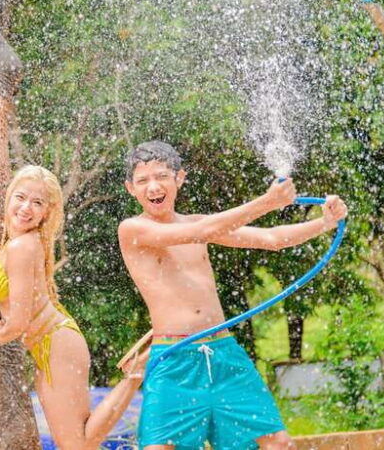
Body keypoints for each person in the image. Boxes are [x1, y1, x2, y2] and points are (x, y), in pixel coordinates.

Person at [118, 140, 348, 450]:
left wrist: (324, 223)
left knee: (278, 443)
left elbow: (271, 239)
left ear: (180, 178)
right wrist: (266, 202)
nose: (153, 186)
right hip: (174, 360)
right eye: (143, 180)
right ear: (130, 188)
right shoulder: (131, 229)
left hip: (224, 354)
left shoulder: (200, 223)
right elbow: (201, 232)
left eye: (161, 176)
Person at [0, 165, 150, 450]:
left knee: (77, 444)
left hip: (57, 345)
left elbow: (18, 322)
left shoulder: (22, 247)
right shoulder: (17, 243)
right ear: (9, 198)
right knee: (76, 443)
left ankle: (135, 373)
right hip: (52, 346)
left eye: (37, 202)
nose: (26, 207)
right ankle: (134, 373)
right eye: (21, 197)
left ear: (46, 212)